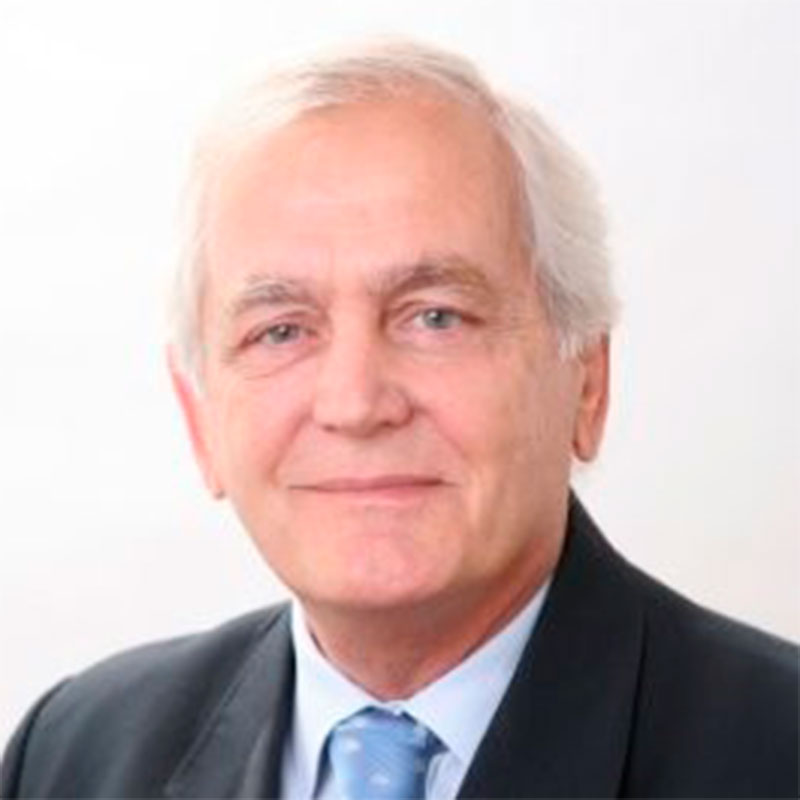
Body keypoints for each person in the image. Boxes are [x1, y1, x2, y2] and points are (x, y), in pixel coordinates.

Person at [1, 39, 797, 800]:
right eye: (281, 331)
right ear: (200, 417)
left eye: (436, 317)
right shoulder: (71, 757)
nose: (355, 405)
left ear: (586, 381)